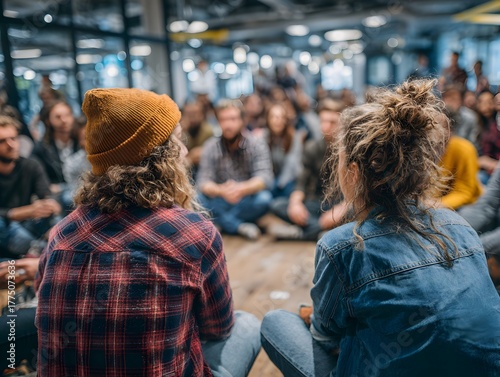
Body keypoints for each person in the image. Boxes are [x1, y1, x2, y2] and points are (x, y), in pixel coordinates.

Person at [261, 79, 500, 377]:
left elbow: (325, 338)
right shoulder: (460, 225)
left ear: (353, 172)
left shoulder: (341, 246)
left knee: (276, 322)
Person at [35, 88, 261, 376]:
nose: (186, 150)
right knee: (247, 324)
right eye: (178, 140)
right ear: (161, 158)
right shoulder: (193, 233)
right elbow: (218, 328)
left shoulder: (61, 234)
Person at [269, 99, 347, 241]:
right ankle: (322, 233)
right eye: (323, 121)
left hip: (343, 204)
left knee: (357, 212)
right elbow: (301, 181)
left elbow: (359, 192)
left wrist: (342, 209)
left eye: (332, 122)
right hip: (317, 203)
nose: (326, 126)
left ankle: (301, 234)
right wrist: (295, 203)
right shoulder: (312, 147)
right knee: (277, 205)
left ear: (342, 123)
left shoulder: (350, 149)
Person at [197, 99, 274, 240]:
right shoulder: (210, 146)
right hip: (220, 198)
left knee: (265, 199)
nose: (228, 124)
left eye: (232, 119)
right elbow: (203, 181)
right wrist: (221, 190)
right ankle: (238, 226)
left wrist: (241, 188)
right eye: (223, 119)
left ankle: (221, 223)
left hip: (246, 198)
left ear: (242, 120)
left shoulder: (256, 144)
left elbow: (265, 177)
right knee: (197, 198)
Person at [0, 115, 61, 259]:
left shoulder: (30, 165)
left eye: (13, 138)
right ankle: (40, 251)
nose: (11, 144)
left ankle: (42, 250)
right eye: (2, 141)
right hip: (6, 228)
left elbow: (46, 196)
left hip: (29, 224)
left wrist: (51, 205)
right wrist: (18, 213)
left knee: (57, 209)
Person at [263, 103, 303, 198]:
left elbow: (292, 164)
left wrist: (279, 184)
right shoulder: (264, 137)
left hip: (289, 179)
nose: (277, 120)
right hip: (270, 180)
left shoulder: (294, 136)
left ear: (286, 120)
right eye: (273, 117)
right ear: (268, 120)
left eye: (281, 117)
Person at [180, 101, 214, 178]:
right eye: (188, 114)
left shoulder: (208, 131)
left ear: (202, 115)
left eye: (195, 114)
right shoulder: (181, 132)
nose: (192, 118)